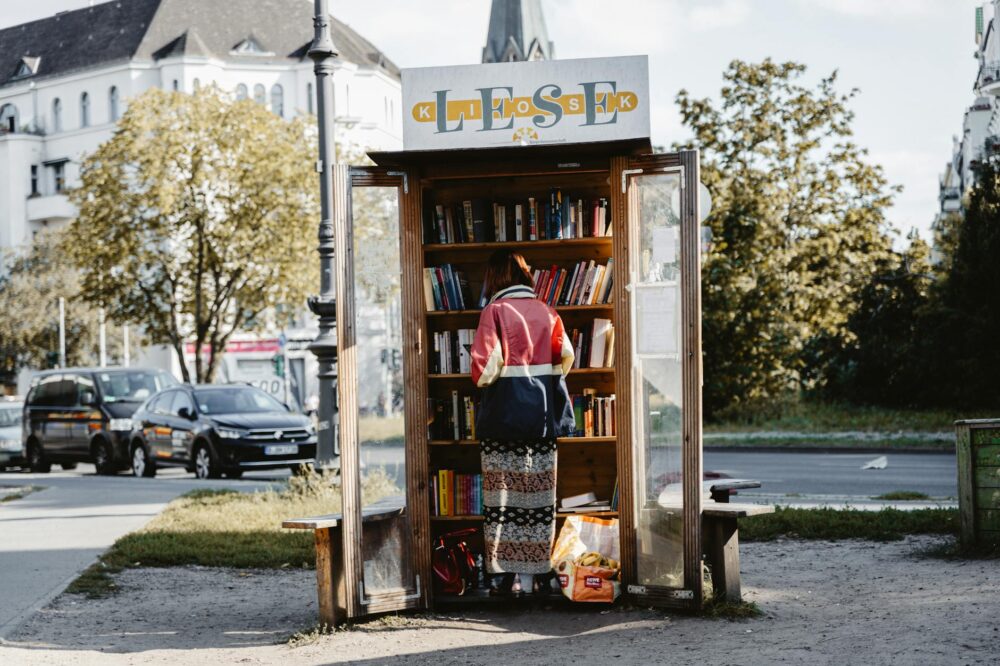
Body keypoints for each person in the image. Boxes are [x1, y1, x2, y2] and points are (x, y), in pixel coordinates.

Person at [470, 250, 576, 595]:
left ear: (495, 277)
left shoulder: (495, 312)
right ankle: (531, 581)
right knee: (538, 502)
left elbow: (484, 372)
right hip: (542, 422)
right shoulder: (548, 312)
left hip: (503, 422)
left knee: (502, 503)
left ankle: (502, 578)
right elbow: (566, 357)